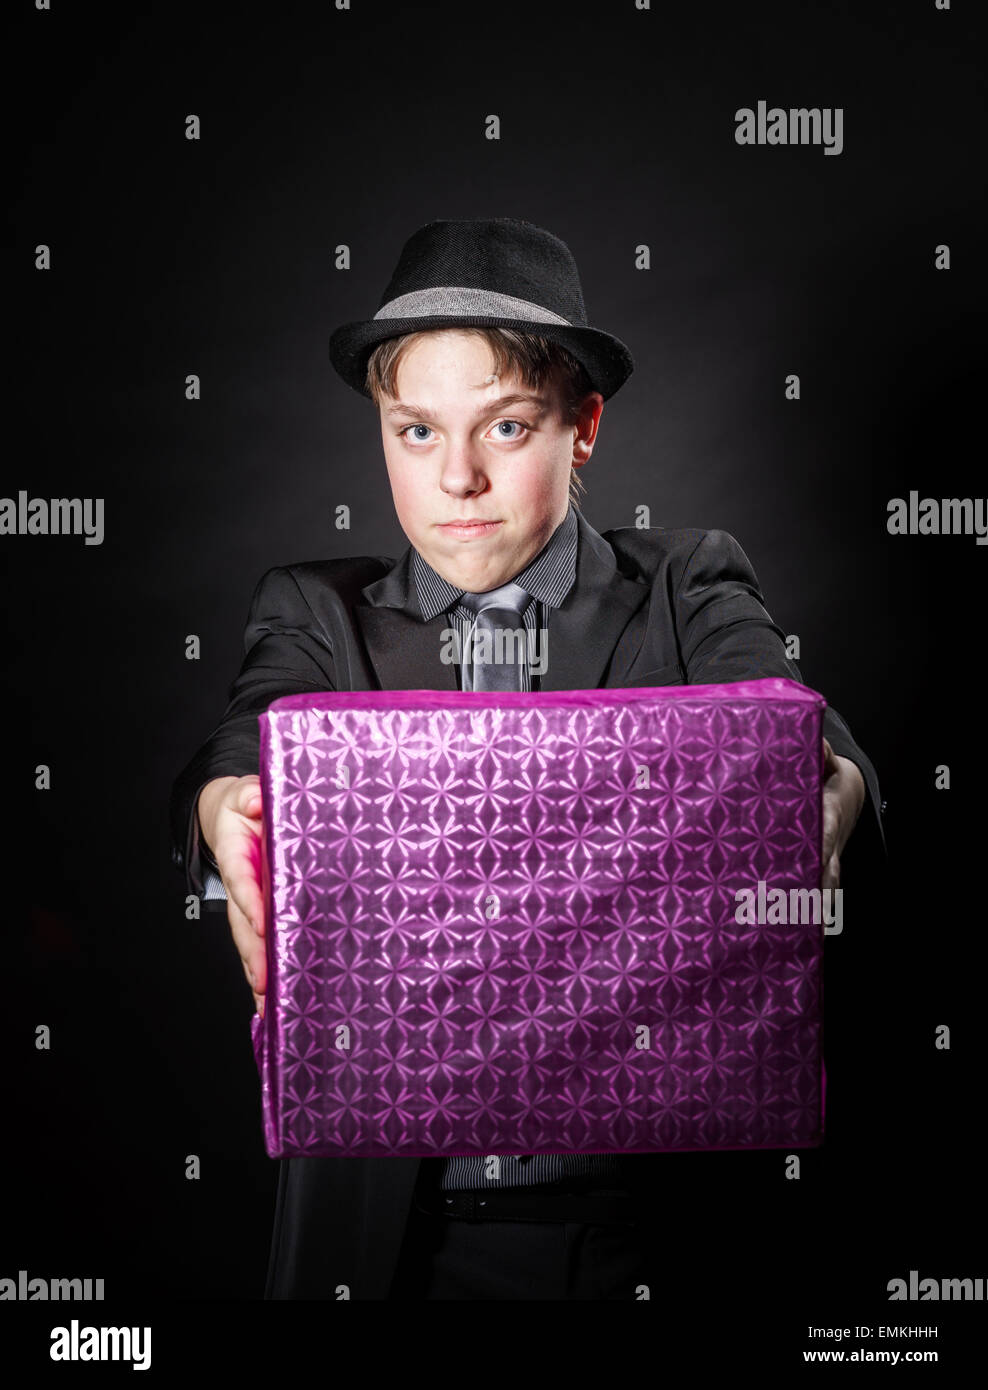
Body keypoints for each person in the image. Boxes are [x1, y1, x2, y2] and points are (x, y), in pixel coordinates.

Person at [169, 216, 885, 1300]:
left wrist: (823, 786)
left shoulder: (687, 587)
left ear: (582, 426)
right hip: (397, 1244)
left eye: (504, 427)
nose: (455, 477)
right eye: (416, 432)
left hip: (659, 1236)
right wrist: (225, 805)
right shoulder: (317, 612)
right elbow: (247, 733)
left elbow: (794, 721)